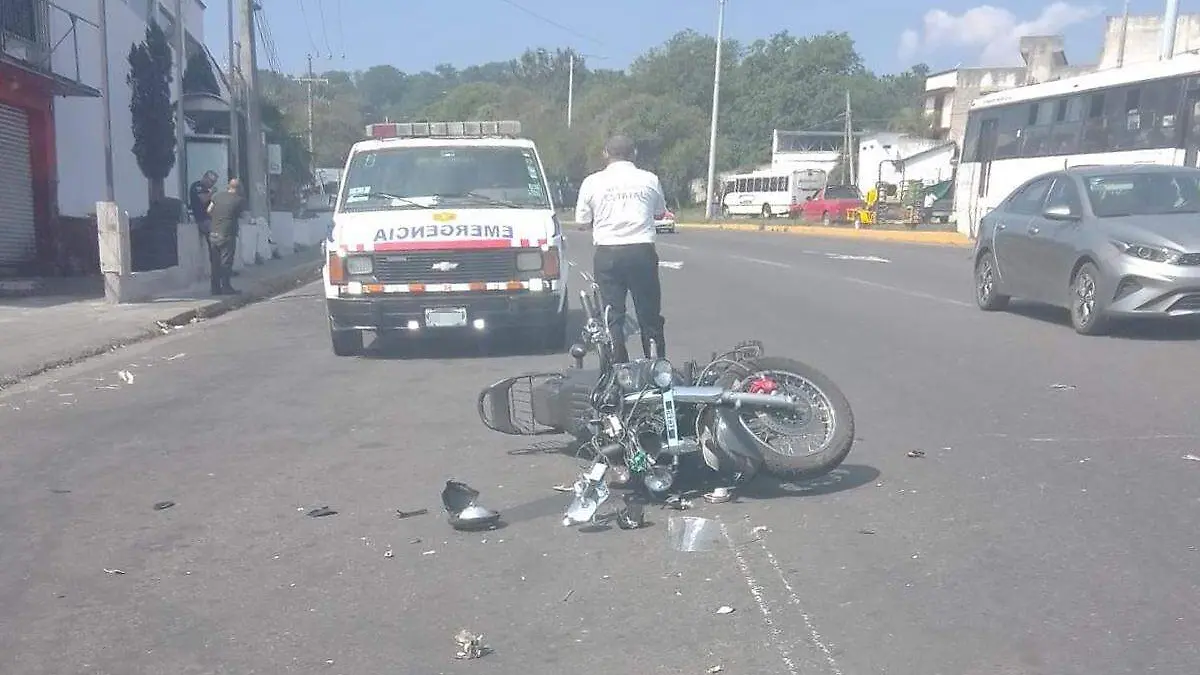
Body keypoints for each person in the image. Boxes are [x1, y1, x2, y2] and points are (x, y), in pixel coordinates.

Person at [574, 134, 668, 363]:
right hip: (641, 251)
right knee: (649, 315)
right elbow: (660, 213)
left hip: (608, 253)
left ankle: (618, 367)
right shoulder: (649, 179)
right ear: (634, 153)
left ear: (605, 154)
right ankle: (657, 368)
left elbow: (582, 222)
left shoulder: (592, 182)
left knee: (612, 316)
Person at [206, 178, 246, 295]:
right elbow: (243, 215)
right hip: (227, 234)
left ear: (229, 186)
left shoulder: (217, 196)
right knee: (226, 262)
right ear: (239, 188)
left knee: (215, 263)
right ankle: (226, 287)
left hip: (213, 233)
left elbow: (209, 210)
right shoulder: (239, 200)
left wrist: (217, 217)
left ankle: (215, 288)